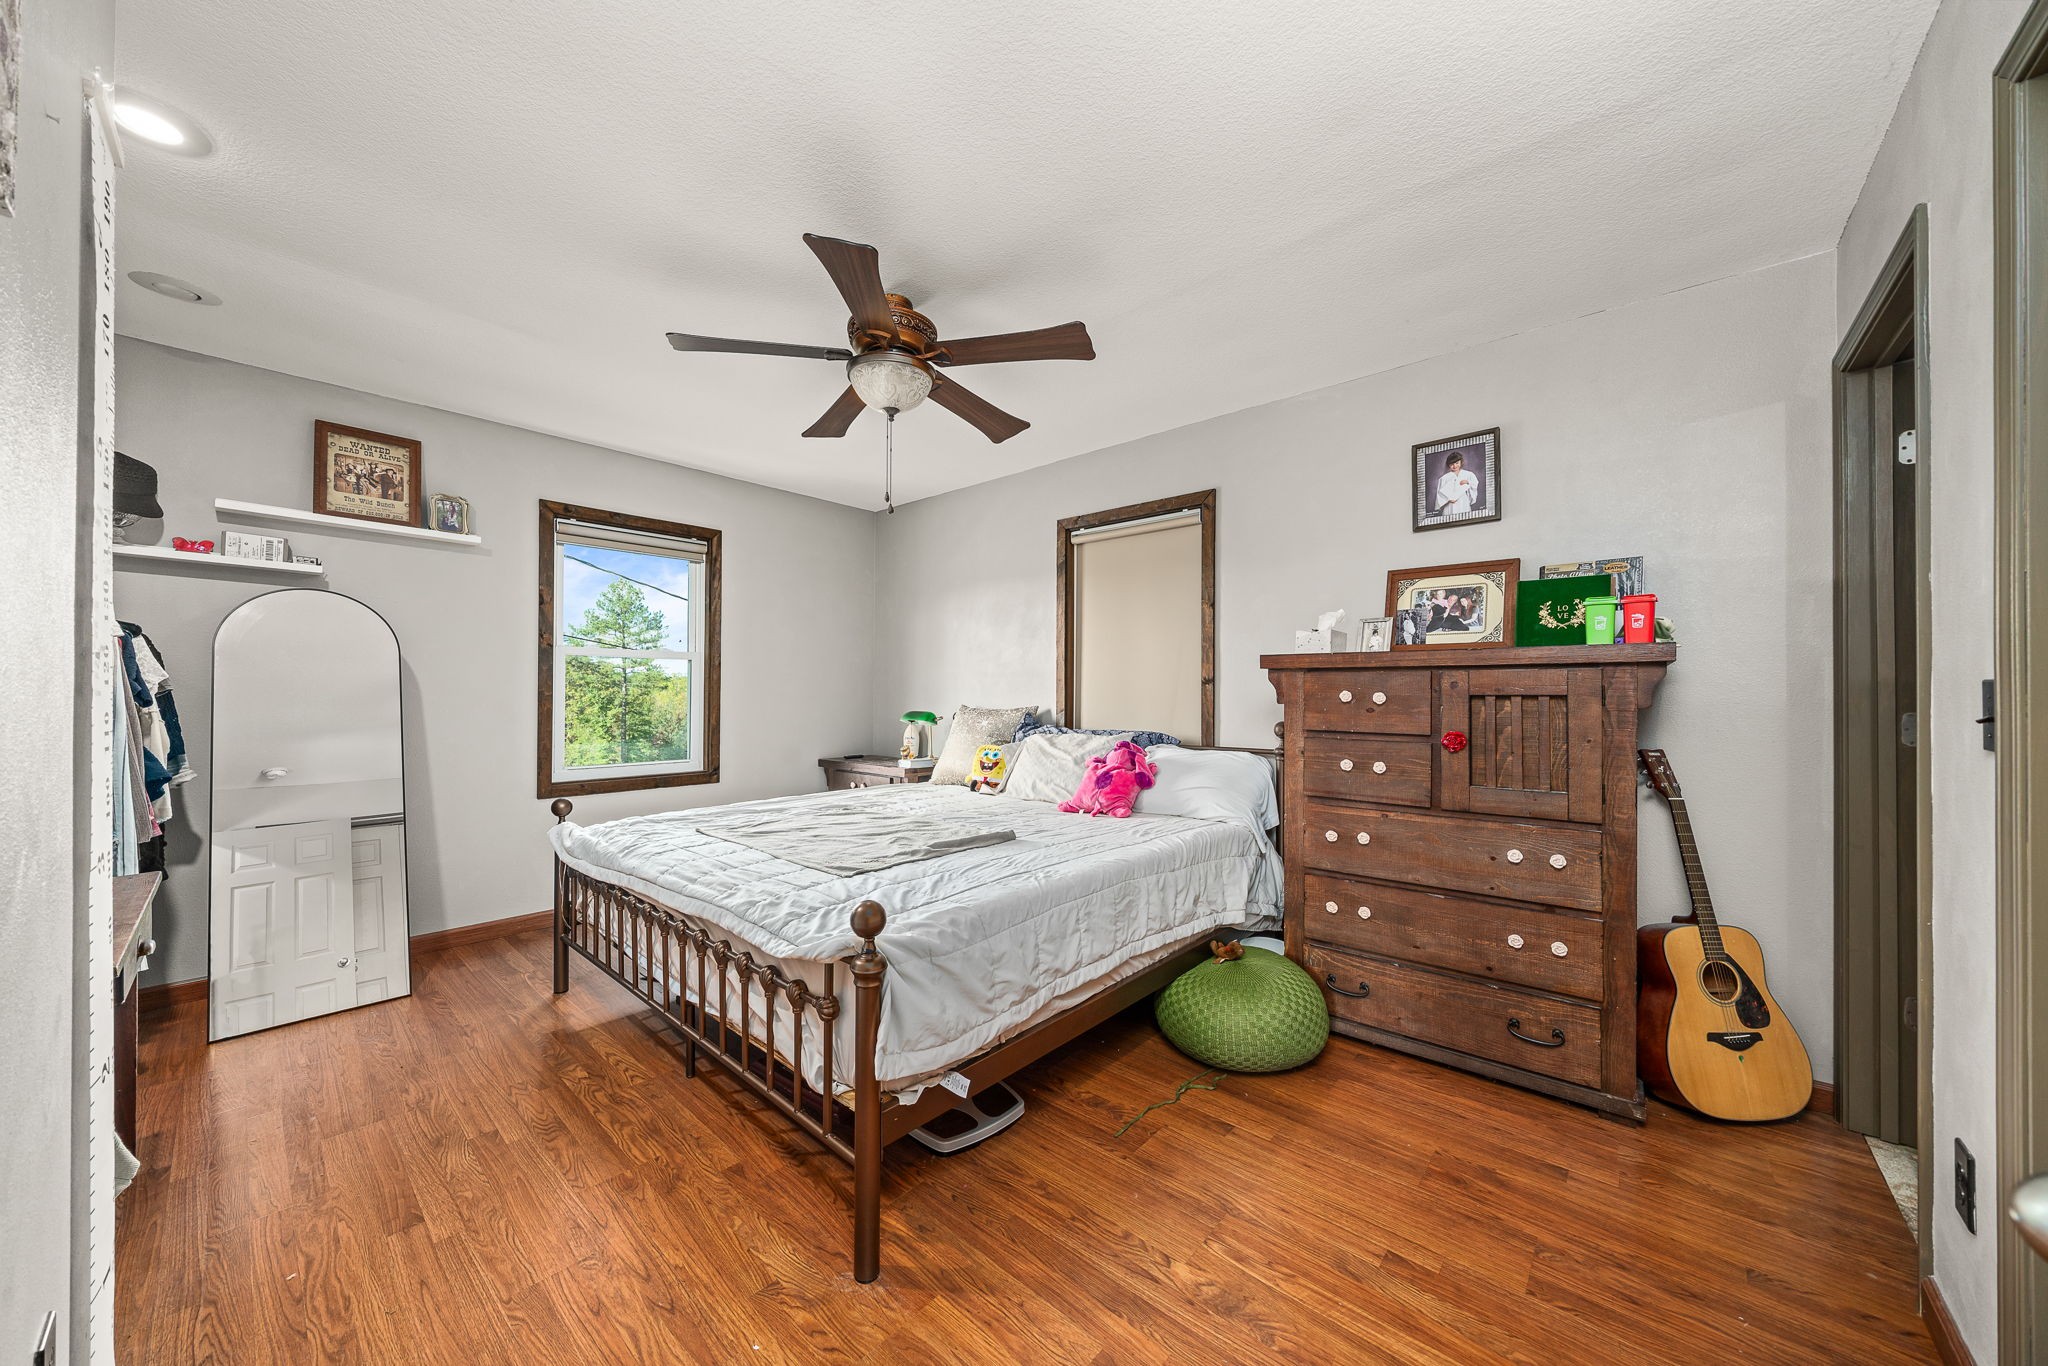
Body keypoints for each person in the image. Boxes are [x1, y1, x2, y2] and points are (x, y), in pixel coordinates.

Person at [1434, 451, 1481, 517]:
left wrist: (1468, 482)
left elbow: (1475, 483)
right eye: (1452, 464)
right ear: (1448, 465)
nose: (1455, 466)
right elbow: (1440, 493)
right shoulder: (1444, 478)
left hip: (1463, 501)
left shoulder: (1468, 474)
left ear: (1461, 462)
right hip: (1450, 503)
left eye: (1457, 463)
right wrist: (1448, 499)